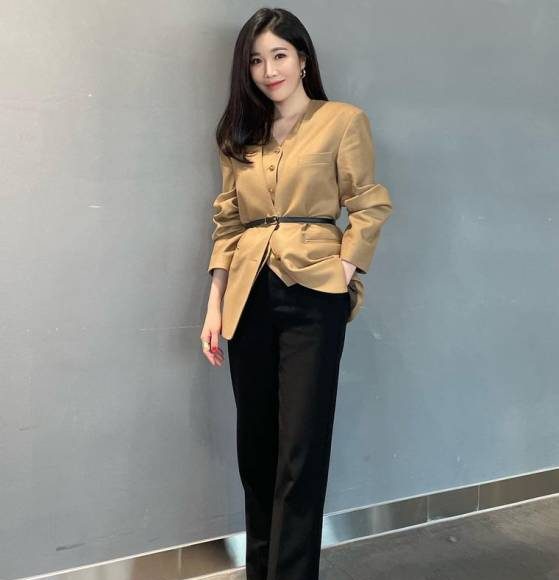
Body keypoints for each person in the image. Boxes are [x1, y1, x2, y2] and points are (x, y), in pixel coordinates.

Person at [200, 7, 393, 580]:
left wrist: (344, 270)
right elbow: (227, 223)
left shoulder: (342, 121)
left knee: (300, 452)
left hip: (312, 295)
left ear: (303, 58)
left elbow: (369, 203)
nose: (269, 70)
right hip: (246, 298)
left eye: (279, 55)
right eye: (256, 60)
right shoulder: (239, 135)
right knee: (256, 451)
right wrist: (214, 306)